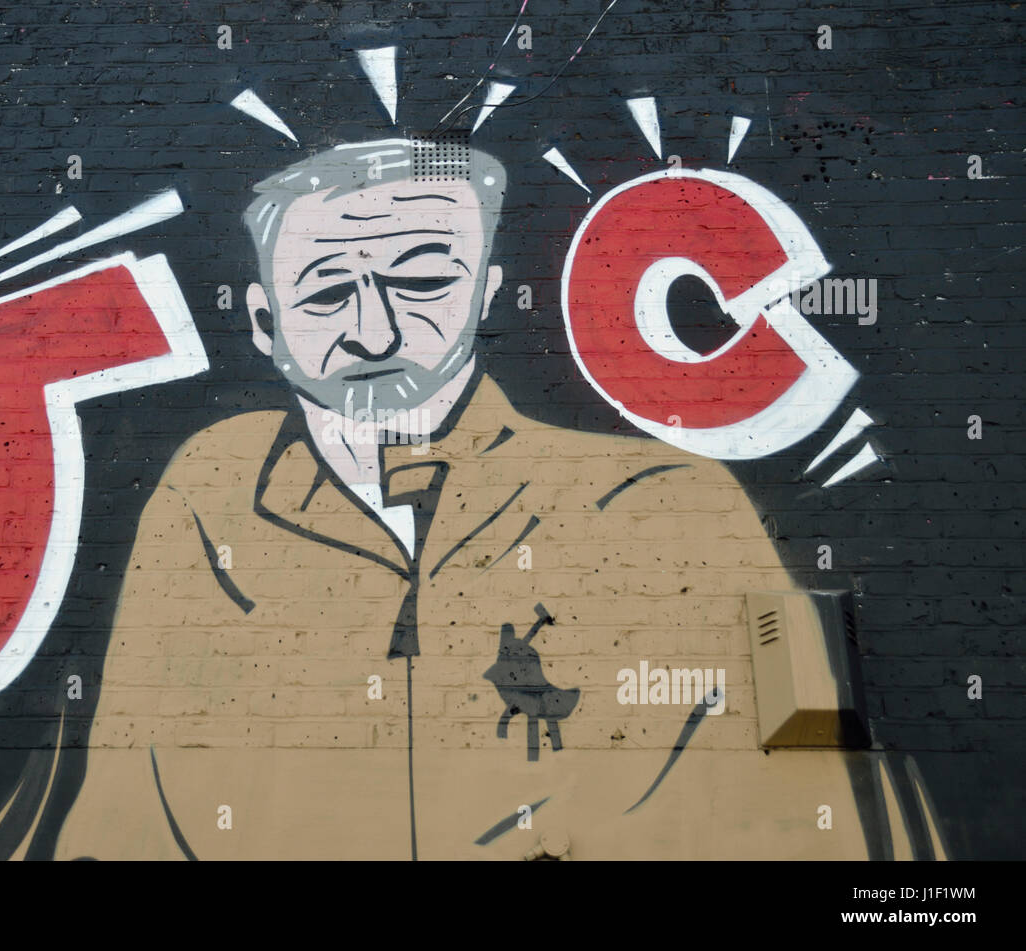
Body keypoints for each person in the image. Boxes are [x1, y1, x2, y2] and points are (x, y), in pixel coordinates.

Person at [50, 139, 941, 860]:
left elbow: (802, 825)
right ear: (262, 323)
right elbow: (121, 818)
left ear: (486, 290)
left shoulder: (664, 508)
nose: (375, 329)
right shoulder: (212, 498)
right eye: (326, 290)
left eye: (423, 279)